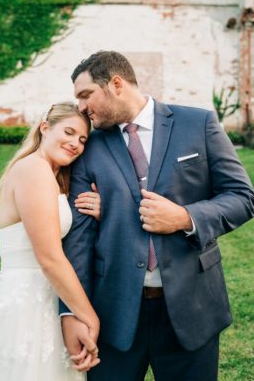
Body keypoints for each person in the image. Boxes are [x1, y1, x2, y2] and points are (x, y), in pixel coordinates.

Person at [61, 51, 254, 380]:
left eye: (85, 95)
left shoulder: (199, 124)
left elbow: (242, 197)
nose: (81, 107)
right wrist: (72, 313)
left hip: (192, 308)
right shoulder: (88, 147)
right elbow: (78, 240)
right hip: (114, 312)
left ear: (116, 84)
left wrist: (184, 217)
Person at [0, 102, 103, 380]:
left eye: (82, 139)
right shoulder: (34, 170)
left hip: (49, 297)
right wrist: (89, 316)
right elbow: (50, 258)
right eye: (68, 132)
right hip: (27, 302)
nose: (75, 143)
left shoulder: (52, 176)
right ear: (44, 128)